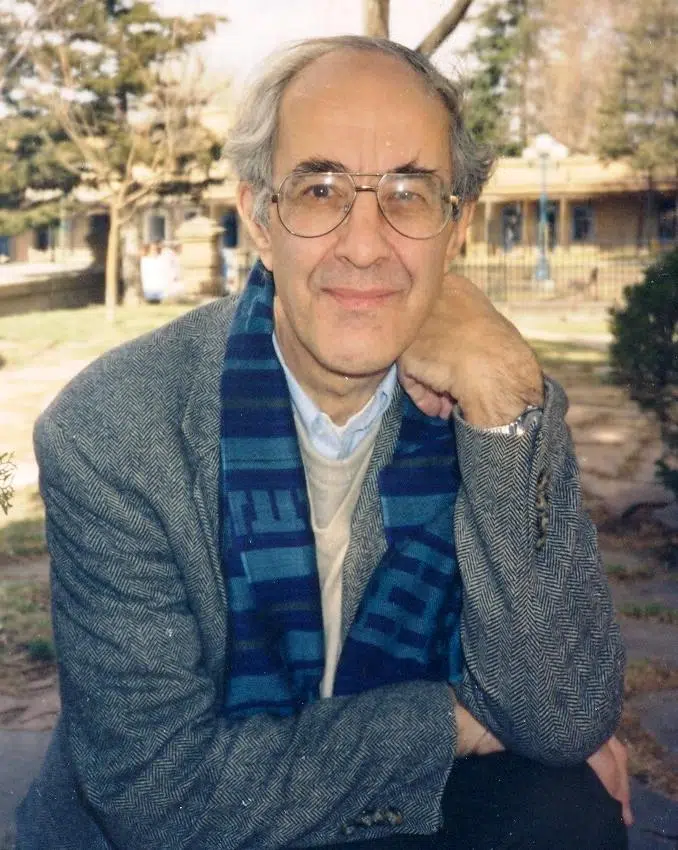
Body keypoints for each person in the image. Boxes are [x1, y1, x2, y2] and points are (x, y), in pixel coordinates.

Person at [16, 36, 630, 850]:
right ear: (259, 220)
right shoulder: (114, 432)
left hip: (387, 815)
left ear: (457, 227)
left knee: (567, 815)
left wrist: (504, 411)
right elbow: (161, 799)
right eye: (319, 190)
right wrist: (452, 721)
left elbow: (561, 715)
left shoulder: (495, 393)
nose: (365, 245)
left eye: (408, 193)